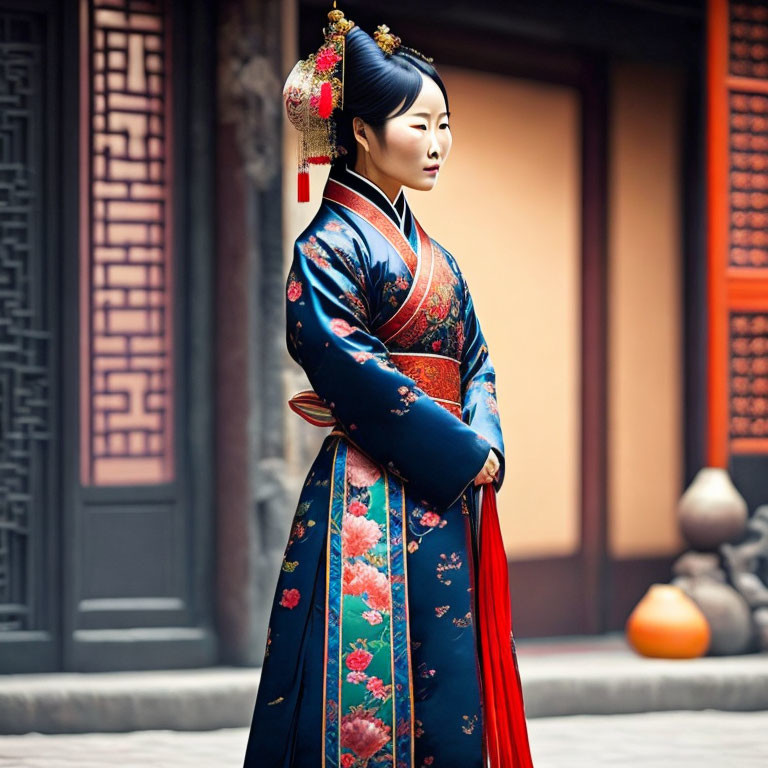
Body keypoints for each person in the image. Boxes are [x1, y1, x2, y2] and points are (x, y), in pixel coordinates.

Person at [243, 6, 534, 767]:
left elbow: (478, 361)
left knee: (446, 670)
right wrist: (459, 451)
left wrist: (484, 443)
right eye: (420, 125)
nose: (439, 145)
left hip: (446, 483)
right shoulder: (328, 246)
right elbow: (344, 361)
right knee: (362, 673)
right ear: (363, 133)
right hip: (368, 490)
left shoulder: (443, 258)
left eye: (446, 126)